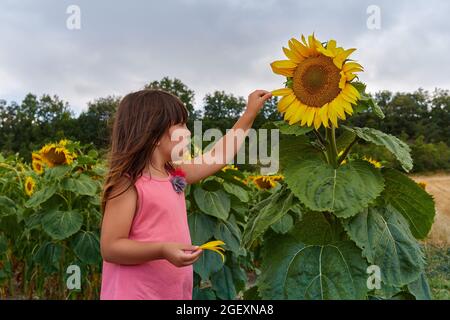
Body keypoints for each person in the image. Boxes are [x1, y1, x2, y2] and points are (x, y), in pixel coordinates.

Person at [99, 88, 272, 299]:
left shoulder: (174, 174)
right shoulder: (128, 184)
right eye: (180, 125)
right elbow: (111, 247)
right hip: (134, 293)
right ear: (153, 135)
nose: (188, 132)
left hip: (170, 292)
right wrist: (162, 250)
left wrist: (249, 114)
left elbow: (219, 155)